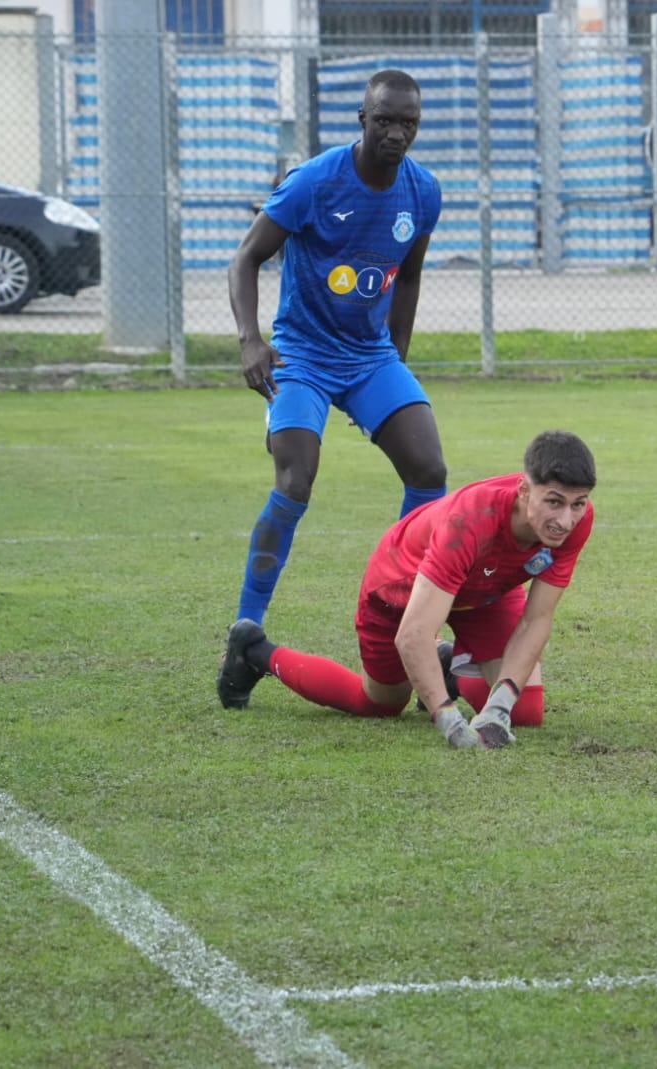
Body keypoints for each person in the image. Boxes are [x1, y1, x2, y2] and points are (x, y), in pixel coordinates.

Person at [219, 68, 449, 710]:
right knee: (296, 479)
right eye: (385, 121)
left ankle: (410, 619)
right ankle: (244, 628)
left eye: (409, 123)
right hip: (302, 357)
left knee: (429, 469)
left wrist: (395, 364)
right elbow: (245, 258)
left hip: (370, 357)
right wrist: (251, 340)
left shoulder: (423, 192)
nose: (396, 133)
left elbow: (407, 280)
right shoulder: (316, 181)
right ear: (362, 118)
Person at [220, 431, 597, 750]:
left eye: (577, 504)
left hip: (484, 589)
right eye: (554, 502)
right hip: (401, 586)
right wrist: (447, 718)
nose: (565, 520)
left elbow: (536, 620)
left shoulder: (577, 520)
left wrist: (502, 702)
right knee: (380, 703)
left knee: (525, 712)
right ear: (523, 490)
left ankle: (444, 665)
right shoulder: (470, 521)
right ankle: (255, 651)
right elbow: (413, 633)